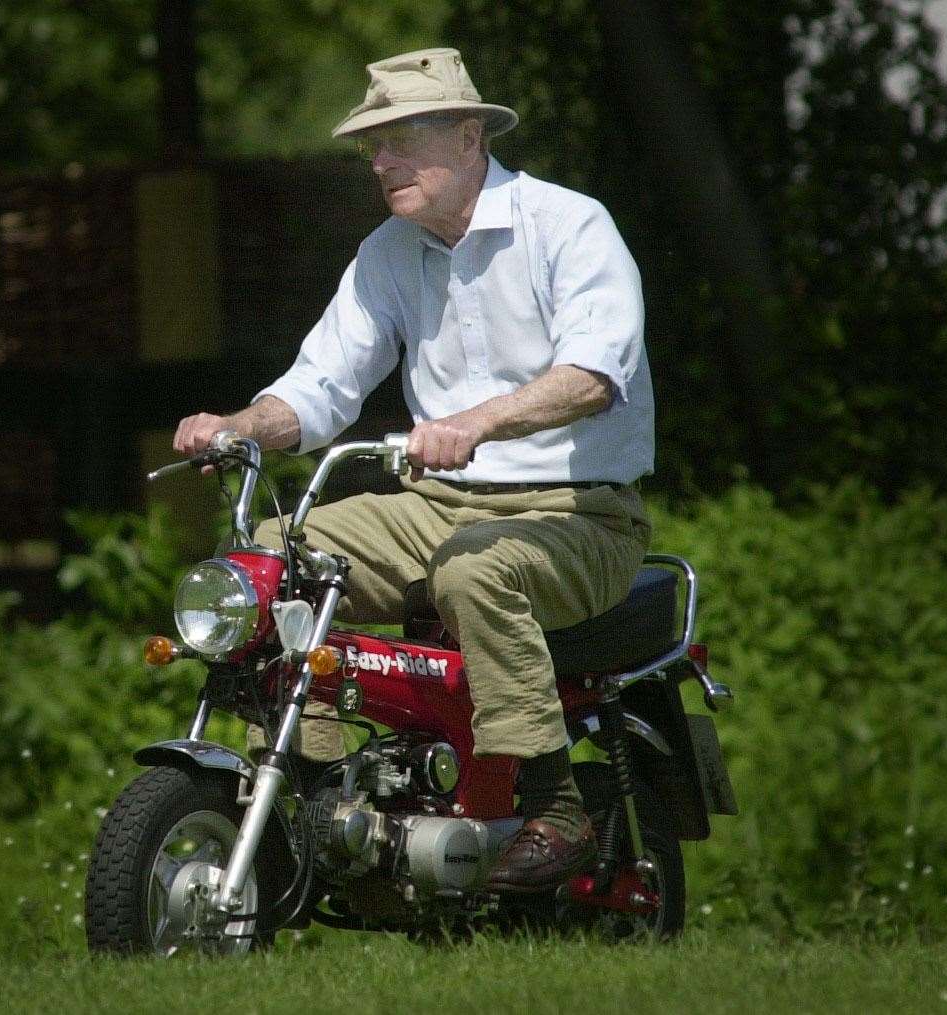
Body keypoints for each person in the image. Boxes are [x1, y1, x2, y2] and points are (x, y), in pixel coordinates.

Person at [173, 47, 654, 892]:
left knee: (476, 571)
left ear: (469, 137)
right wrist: (237, 425)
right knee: (274, 557)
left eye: (400, 140)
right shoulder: (390, 253)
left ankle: (557, 802)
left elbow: (593, 375)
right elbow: (321, 386)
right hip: (435, 505)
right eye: (372, 147)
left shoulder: (571, 225)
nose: (381, 161)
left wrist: (477, 421)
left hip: (579, 514)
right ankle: (311, 804)